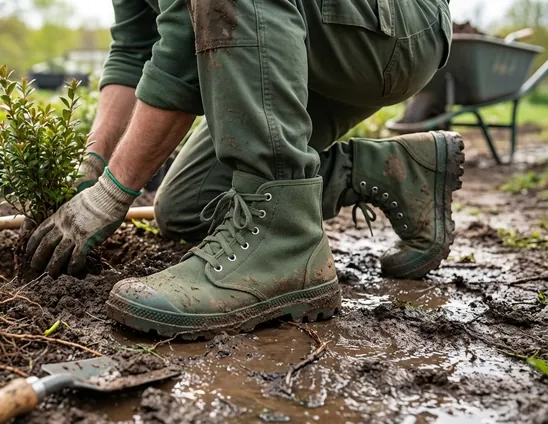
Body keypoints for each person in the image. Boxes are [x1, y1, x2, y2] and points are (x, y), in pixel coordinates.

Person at [25, 0, 463, 338]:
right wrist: (92, 167)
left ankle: (283, 237)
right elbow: (132, 51)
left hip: (391, 26)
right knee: (188, 204)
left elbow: (181, 46)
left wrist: (111, 193)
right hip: (306, 36)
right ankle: (396, 171)